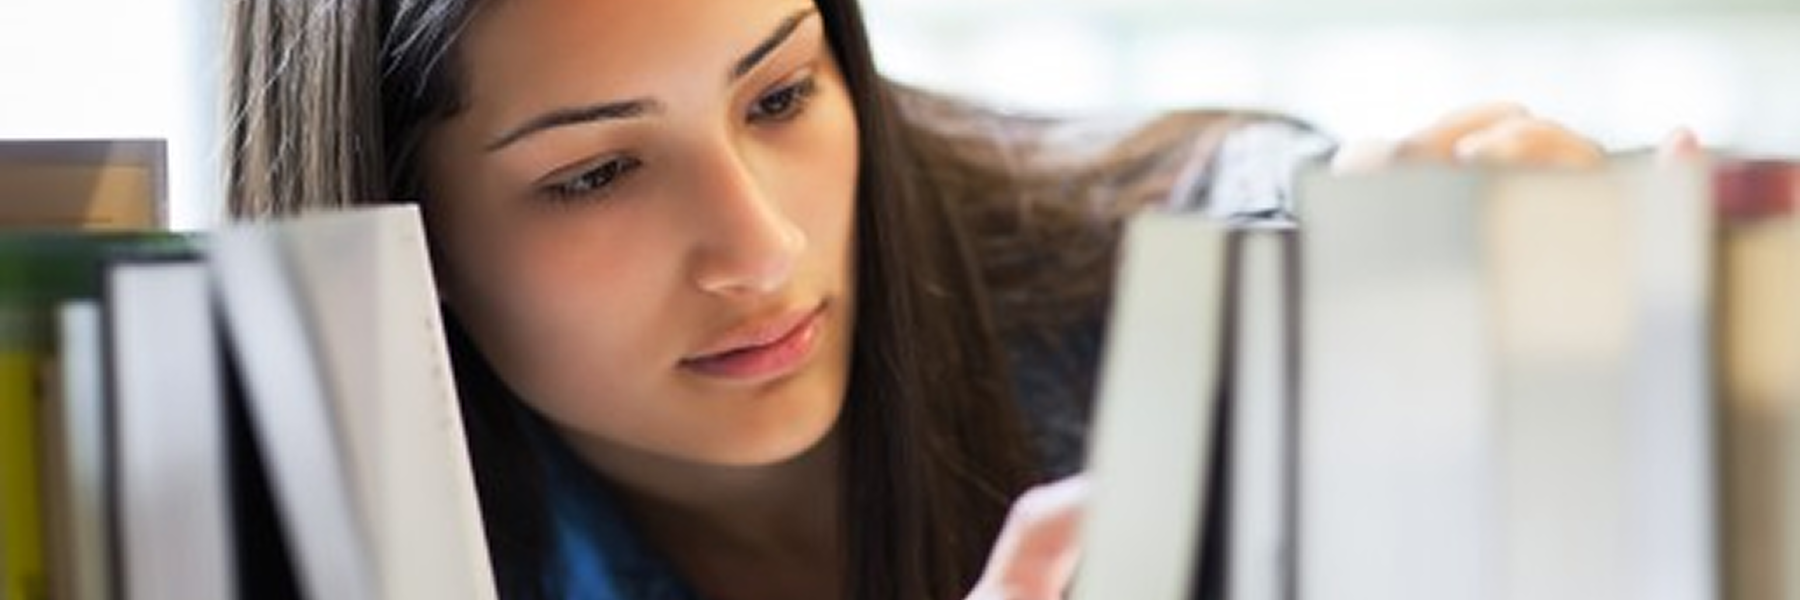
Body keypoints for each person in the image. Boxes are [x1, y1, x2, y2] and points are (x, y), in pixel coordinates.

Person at [223, 1, 1673, 598]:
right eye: (599, 175)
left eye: (783, 94)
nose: (764, 248)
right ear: (387, 218)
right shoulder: (280, 520)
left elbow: (1269, 198)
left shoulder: (1161, 278)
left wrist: (1413, 238)